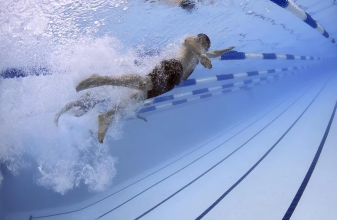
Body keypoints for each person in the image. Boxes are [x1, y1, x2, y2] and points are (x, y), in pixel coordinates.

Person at [60, 34, 234, 143]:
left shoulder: (199, 56)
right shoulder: (193, 42)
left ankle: (108, 116)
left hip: (170, 83)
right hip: (172, 67)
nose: (204, 49)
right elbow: (190, 42)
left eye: (205, 48)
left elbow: (214, 53)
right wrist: (202, 53)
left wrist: (225, 50)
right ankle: (100, 79)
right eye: (203, 45)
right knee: (144, 83)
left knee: (138, 97)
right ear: (200, 40)